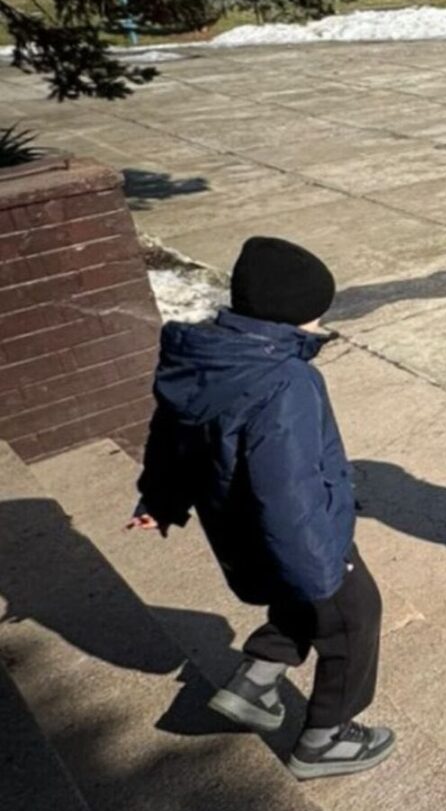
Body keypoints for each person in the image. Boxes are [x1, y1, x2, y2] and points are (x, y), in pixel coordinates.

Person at [128, 237, 394, 781]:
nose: (321, 324)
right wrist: (327, 570)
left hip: (241, 529)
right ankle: (326, 739)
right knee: (353, 616)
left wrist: (161, 498)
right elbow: (289, 492)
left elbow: (171, 437)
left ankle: (255, 680)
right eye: (318, 314)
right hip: (305, 535)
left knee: (297, 592)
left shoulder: (205, 359)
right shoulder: (285, 382)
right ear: (294, 315)